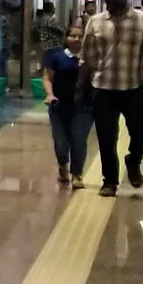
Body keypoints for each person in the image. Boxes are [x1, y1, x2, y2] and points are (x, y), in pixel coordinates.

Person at [80, 0, 143, 197]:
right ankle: (110, 181)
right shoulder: (95, 22)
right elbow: (86, 56)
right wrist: (81, 87)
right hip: (103, 88)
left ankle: (133, 161)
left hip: (134, 87)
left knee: (142, 132)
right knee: (106, 137)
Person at [41, 23, 90, 188]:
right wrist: (50, 94)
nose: (76, 39)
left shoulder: (90, 57)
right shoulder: (56, 57)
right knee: (61, 143)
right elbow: (47, 77)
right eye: (72, 36)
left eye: (80, 36)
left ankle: (77, 174)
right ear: (66, 38)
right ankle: (63, 166)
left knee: (78, 139)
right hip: (59, 106)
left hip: (83, 107)